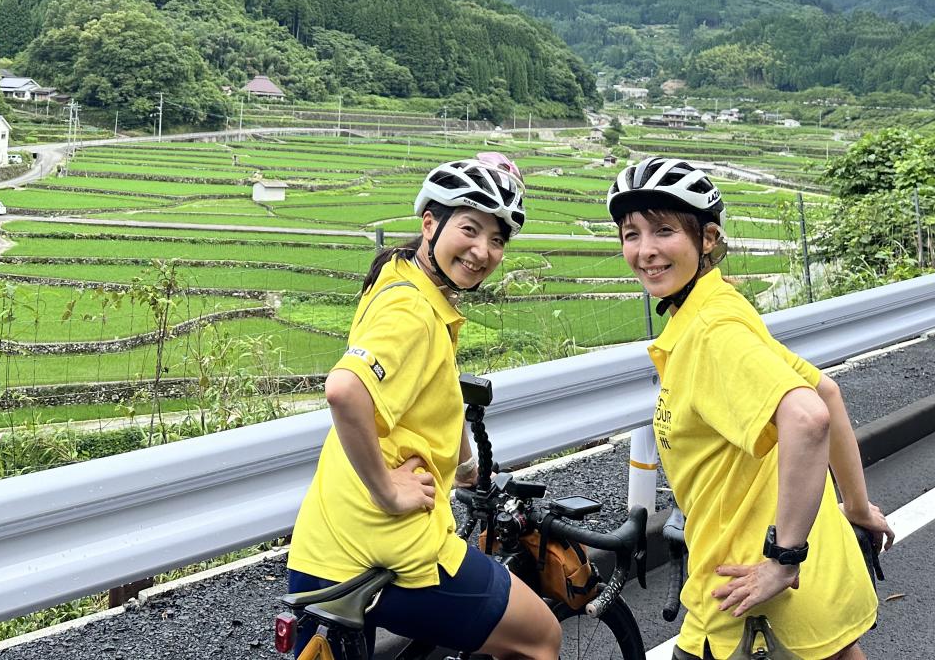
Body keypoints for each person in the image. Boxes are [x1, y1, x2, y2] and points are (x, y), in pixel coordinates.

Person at [609, 157, 894, 660]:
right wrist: (855, 506)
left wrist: (783, 560)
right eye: (631, 234)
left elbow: (808, 417)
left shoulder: (713, 331)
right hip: (815, 577)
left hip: (747, 594)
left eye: (664, 230)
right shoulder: (720, 307)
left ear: (709, 238)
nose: (645, 250)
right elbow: (825, 390)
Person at [286, 156, 561, 660]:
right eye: (470, 229)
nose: (483, 251)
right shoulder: (413, 310)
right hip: (390, 551)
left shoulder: (400, 277)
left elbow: (429, 390)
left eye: (497, 239)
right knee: (541, 638)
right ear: (430, 223)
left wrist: (464, 467)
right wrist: (389, 491)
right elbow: (345, 390)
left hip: (326, 541)